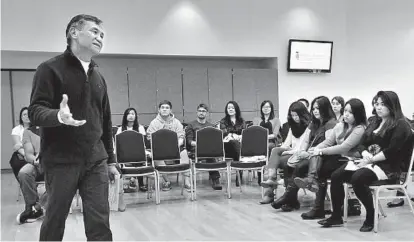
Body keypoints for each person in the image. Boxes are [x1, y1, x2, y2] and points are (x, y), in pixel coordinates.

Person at [28, 14, 119, 241]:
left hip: (95, 160)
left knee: (100, 224)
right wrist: (58, 116)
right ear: (74, 33)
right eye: (94, 32)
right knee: (55, 221)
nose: (100, 37)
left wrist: (112, 160)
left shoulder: (98, 76)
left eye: (102, 35)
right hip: (60, 161)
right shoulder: (49, 69)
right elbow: (35, 111)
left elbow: (105, 121)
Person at [318, 91, 413, 232]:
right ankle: (336, 215)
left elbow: (392, 151)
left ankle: (370, 214)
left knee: (358, 178)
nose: (378, 107)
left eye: (383, 104)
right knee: (336, 175)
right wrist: (366, 154)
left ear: (392, 106)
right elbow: (362, 144)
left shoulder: (401, 124)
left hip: (388, 167)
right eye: (377, 103)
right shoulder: (374, 121)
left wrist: (370, 159)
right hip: (367, 161)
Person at [294, 98, 367, 220]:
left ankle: (314, 190)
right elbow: (328, 141)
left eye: (351, 112)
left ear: (358, 114)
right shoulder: (340, 126)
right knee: (318, 161)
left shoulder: (360, 129)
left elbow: (344, 148)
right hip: (339, 160)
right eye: (346, 111)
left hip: (351, 161)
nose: (346, 114)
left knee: (321, 165)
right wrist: (316, 149)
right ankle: (314, 192)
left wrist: (320, 151)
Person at [271, 96, 337, 212]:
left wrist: (308, 153)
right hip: (312, 155)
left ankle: (288, 198)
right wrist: (302, 152)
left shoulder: (331, 123)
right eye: (314, 108)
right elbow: (306, 141)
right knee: (288, 163)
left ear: (325, 109)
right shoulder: (314, 123)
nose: (315, 111)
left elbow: (328, 144)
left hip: (324, 157)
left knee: (299, 166)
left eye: (318, 108)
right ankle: (290, 200)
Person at [259, 101, 311, 204]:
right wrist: (281, 151)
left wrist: (284, 153)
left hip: (301, 154)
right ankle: (272, 178)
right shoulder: (292, 127)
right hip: (292, 151)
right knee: (275, 150)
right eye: (292, 115)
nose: (295, 118)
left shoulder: (309, 127)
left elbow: (302, 149)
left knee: (277, 159)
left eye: (297, 115)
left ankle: (270, 192)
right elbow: (286, 144)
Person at [146, 100, 191, 191]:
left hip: (175, 148)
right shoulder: (154, 123)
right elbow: (150, 138)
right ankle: (166, 181)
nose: (165, 110)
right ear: (159, 110)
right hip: (160, 149)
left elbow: (181, 137)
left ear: (170, 110)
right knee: (156, 155)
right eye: (162, 108)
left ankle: (187, 181)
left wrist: (174, 146)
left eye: (167, 108)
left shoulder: (177, 122)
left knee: (184, 152)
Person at [16, 125, 47, 224]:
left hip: (56, 164)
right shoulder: (28, 132)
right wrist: (36, 160)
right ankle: (31, 205)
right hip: (37, 163)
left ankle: (37, 208)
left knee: (61, 176)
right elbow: (28, 154)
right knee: (24, 173)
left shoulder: (56, 128)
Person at [186, 103, 222, 190]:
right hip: (195, 149)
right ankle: (216, 179)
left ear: (207, 113)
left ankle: (216, 180)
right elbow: (189, 141)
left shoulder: (211, 126)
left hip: (209, 150)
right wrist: (200, 144)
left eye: (203, 111)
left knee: (210, 152)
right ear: (197, 112)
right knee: (209, 153)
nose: (201, 113)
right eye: (199, 111)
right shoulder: (191, 125)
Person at [116, 107, 147, 193]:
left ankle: (136, 181)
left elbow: (142, 144)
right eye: (128, 114)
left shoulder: (140, 128)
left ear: (136, 116)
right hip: (124, 153)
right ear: (125, 116)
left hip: (137, 152)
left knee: (138, 155)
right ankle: (133, 182)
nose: (131, 116)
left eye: (133, 114)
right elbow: (118, 145)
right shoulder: (120, 129)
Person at [253, 100, 281, 185]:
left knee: (269, 147)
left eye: (268, 107)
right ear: (261, 108)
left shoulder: (276, 120)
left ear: (271, 108)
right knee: (257, 148)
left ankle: (269, 175)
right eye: (264, 107)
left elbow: (275, 135)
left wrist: (264, 137)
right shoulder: (256, 119)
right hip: (259, 142)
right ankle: (260, 174)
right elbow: (255, 132)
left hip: (271, 142)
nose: (266, 109)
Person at [219, 101, 246, 186]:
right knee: (234, 143)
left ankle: (239, 173)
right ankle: (240, 171)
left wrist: (238, 136)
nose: (230, 109)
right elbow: (224, 133)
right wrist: (233, 135)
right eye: (228, 108)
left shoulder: (241, 121)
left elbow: (245, 133)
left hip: (239, 145)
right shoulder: (223, 121)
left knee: (237, 145)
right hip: (227, 147)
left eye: (232, 108)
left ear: (236, 109)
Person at [10, 107, 31, 178]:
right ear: (21, 117)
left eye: (28, 114)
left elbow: (18, 145)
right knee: (15, 163)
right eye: (24, 114)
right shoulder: (16, 129)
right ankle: (22, 183)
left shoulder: (37, 128)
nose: (27, 116)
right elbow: (17, 146)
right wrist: (26, 154)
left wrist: (21, 145)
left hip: (35, 151)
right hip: (21, 153)